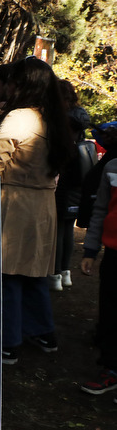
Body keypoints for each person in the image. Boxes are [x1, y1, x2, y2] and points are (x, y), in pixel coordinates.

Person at [0, 57, 75, 365]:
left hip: (16, 203)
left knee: (7, 274)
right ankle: (43, 332)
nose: (7, 84)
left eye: (12, 80)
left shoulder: (20, 116)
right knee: (34, 273)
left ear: (22, 84)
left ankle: (8, 342)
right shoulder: (54, 117)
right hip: (43, 204)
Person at [79, 144, 117, 396]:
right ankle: (111, 370)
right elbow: (100, 210)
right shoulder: (112, 167)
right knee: (111, 313)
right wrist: (90, 250)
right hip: (114, 256)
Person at [50, 79, 92, 291]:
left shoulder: (60, 119)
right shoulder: (81, 116)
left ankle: (55, 274)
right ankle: (66, 273)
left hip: (63, 177)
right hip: (79, 179)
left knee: (57, 229)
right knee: (67, 227)